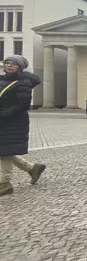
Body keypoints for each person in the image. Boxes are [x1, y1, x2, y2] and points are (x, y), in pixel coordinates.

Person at [0, 55, 46, 196]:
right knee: (5, 150)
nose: (9, 65)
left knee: (5, 151)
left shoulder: (23, 82)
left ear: (20, 67)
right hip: (3, 120)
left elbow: (23, 104)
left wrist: (4, 114)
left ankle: (5, 183)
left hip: (13, 122)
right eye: (7, 63)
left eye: (13, 64)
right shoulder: (3, 80)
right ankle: (32, 169)